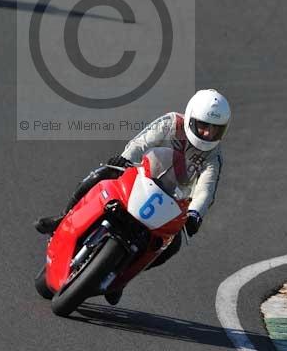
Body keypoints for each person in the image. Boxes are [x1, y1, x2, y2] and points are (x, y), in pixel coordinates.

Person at [35, 89, 231, 304]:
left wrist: (195, 214)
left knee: (171, 246)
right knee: (102, 175)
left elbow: (206, 188)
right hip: (140, 178)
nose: (206, 134)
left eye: (215, 130)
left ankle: (122, 278)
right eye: (203, 126)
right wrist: (125, 159)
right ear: (191, 117)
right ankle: (62, 218)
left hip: (170, 203)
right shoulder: (171, 123)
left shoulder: (214, 156)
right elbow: (142, 142)